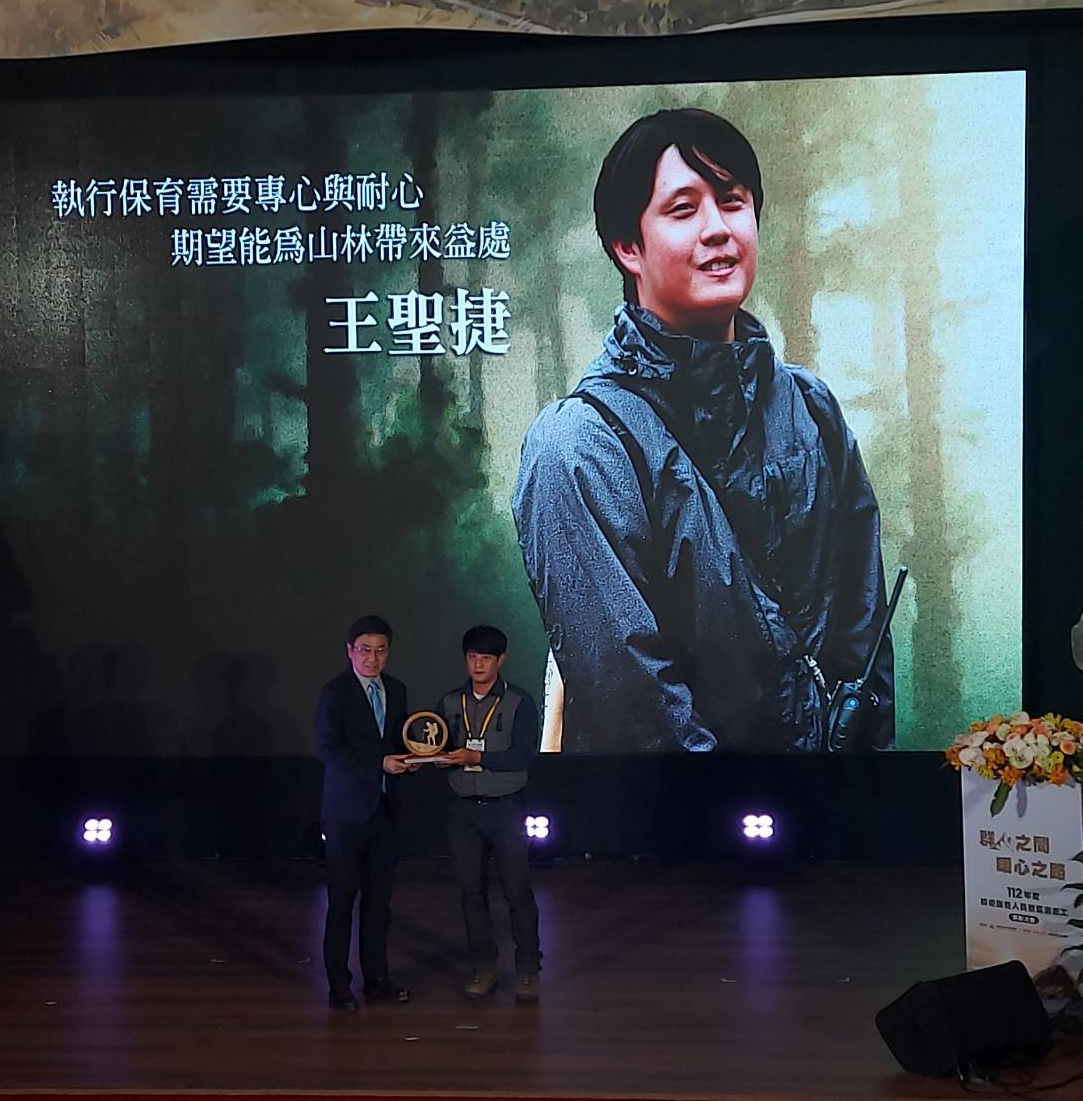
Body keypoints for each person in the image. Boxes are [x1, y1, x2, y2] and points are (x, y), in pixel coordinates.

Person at [512, 107, 894, 754]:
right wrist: (741, 805)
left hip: (827, 807)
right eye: (683, 209)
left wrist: (856, 787)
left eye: (732, 201)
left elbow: (863, 640)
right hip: (674, 816)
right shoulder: (578, 446)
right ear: (627, 247)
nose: (717, 228)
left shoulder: (810, 408)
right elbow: (633, 706)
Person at [435, 625, 542, 1002]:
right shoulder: (450, 702)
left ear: (501, 660)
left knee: (517, 891)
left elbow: (524, 756)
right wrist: (430, 758)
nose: (478, 664)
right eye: (472, 657)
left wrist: (476, 756)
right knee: (471, 893)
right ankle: (484, 967)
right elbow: (438, 747)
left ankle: (528, 970)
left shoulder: (519, 702)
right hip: (464, 810)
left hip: (506, 808)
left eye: (486, 658)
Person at [315, 615, 411, 1012]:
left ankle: (377, 979)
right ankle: (339, 984)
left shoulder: (397, 690)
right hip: (346, 815)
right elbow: (330, 750)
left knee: (379, 904)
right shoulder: (334, 693)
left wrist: (415, 758)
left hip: (385, 812)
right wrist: (380, 764)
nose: (373, 658)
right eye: (365, 650)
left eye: (380, 650)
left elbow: (402, 741)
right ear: (350, 651)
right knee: (341, 901)